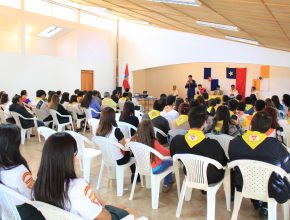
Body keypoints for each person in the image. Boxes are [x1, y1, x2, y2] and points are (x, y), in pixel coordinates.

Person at [33, 132, 133, 219]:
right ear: (72, 156)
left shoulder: (38, 185)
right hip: (98, 215)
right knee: (131, 211)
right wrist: (101, 206)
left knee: (118, 206)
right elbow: (106, 217)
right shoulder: (77, 187)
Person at [229, 111, 290, 217]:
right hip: (271, 188)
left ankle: (257, 201)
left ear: (251, 124)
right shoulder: (275, 145)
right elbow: (287, 168)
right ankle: (265, 206)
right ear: (268, 129)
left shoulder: (234, 143)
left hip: (243, 183)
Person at [170, 106, 228, 184]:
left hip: (189, 172)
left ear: (188, 121)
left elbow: (174, 156)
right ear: (204, 123)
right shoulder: (213, 144)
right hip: (210, 178)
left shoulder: (176, 140)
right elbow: (223, 162)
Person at [0, 124, 45, 219]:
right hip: (26, 212)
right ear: (13, 145)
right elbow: (33, 196)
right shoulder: (19, 171)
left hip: (8, 211)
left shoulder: (4, 168)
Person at [95, 107, 136, 181]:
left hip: (106, 157)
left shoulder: (98, 131)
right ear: (112, 117)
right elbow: (124, 146)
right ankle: (135, 175)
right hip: (119, 159)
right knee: (132, 149)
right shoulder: (116, 130)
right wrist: (130, 141)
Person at [132, 120, 173, 192]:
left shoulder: (135, 140)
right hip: (155, 168)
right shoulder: (153, 142)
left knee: (165, 161)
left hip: (142, 167)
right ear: (151, 130)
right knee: (170, 162)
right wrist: (172, 150)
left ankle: (170, 178)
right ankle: (166, 184)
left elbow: (128, 145)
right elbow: (166, 153)